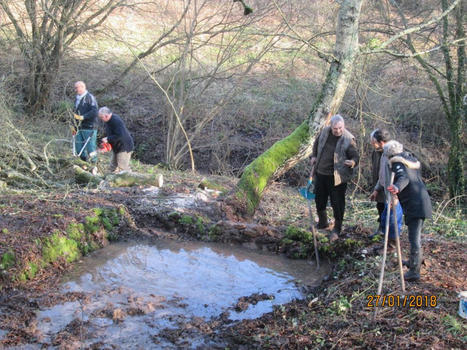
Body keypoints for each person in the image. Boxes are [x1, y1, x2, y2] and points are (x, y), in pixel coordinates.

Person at [385, 140, 432, 281]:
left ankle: (414, 272)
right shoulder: (410, 160)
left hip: (416, 205)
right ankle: (413, 262)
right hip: (420, 201)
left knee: (414, 238)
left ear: (389, 154)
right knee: (414, 237)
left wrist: (396, 187)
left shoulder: (397, 163)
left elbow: (403, 178)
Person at [310, 114, 359, 241]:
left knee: (337, 203)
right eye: (335, 128)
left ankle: (337, 229)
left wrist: (352, 162)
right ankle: (323, 222)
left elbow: (355, 157)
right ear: (331, 126)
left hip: (337, 177)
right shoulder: (325, 132)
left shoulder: (349, 139)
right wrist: (313, 156)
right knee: (319, 199)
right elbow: (316, 145)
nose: (338, 131)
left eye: (340, 128)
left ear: (344, 126)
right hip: (321, 173)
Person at [368, 128, 391, 238]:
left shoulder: (390, 153)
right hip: (378, 184)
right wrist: (375, 188)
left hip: (388, 186)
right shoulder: (376, 152)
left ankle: (388, 235)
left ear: (381, 142)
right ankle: (381, 230)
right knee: (380, 206)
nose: (373, 145)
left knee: (388, 210)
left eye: (374, 143)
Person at [98, 107, 134, 173]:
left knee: (123, 168)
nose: (101, 119)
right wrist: (107, 143)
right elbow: (112, 134)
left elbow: (120, 136)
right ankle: (108, 179)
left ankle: (130, 180)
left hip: (124, 147)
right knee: (112, 167)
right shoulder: (108, 121)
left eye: (101, 117)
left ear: (106, 116)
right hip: (117, 147)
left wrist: (108, 139)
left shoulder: (116, 121)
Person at [73, 81, 98, 162]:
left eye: (77, 88)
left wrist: (83, 117)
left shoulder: (90, 98)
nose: (75, 90)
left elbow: (94, 111)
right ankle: (83, 164)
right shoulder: (77, 98)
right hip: (78, 127)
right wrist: (73, 125)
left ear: (83, 87)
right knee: (78, 147)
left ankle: (94, 164)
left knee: (91, 148)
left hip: (89, 127)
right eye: (75, 88)